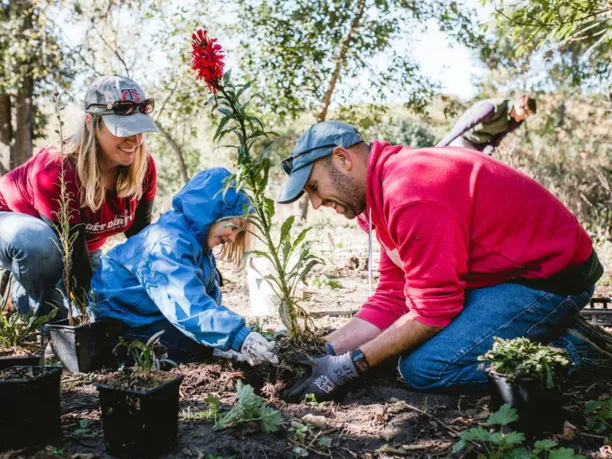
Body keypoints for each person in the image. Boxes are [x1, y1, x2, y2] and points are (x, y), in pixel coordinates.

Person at [276, 120, 609, 401]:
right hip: (505, 275)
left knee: (425, 368)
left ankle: (574, 349)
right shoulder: (376, 199)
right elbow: (395, 296)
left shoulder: (409, 193)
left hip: (552, 279)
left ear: (341, 158)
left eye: (314, 187)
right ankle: (537, 329)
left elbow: (434, 310)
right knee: (404, 346)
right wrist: (324, 351)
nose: (316, 203)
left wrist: (352, 365)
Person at [0, 75, 158, 318]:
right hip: (14, 227)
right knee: (42, 251)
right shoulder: (56, 169)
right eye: (124, 130)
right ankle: (32, 303)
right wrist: (86, 314)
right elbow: (72, 257)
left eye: (140, 129)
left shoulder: (143, 167)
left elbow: (140, 235)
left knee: (107, 306)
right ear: (90, 122)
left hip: (81, 247)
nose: (135, 140)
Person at [90, 168, 278, 366]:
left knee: (201, 344)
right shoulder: (168, 244)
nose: (232, 238)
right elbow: (189, 308)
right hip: (121, 321)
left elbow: (208, 299)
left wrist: (224, 340)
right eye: (233, 227)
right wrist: (240, 338)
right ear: (212, 213)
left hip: (147, 315)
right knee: (191, 348)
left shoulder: (196, 243)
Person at [436, 95, 536, 155]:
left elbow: (495, 141)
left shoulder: (514, 122)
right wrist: (441, 145)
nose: (525, 117)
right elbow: (464, 126)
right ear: (519, 106)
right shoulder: (491, 108)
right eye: (526, 113)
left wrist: (485, 157)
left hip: (477, 148)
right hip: (463, 139)